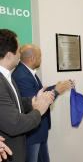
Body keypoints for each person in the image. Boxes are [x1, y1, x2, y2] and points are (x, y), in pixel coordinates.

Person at [12, 44, 74, 162]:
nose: (41, 59)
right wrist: (56, 92)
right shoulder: (21, 76)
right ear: (33, 58)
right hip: (32, 134)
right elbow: (35, 103)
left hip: (38, 132)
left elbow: (38, 93)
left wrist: (56, 87)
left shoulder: (27, 72)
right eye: (40, 56)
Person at [0, 29, 54, 162]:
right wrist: (38, 111)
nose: (20, 55)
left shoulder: (7, 76)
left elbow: (15, 103)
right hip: (8, 154)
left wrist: (33, 101)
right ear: (9, 55)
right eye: (18, 51)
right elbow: (15, 124)